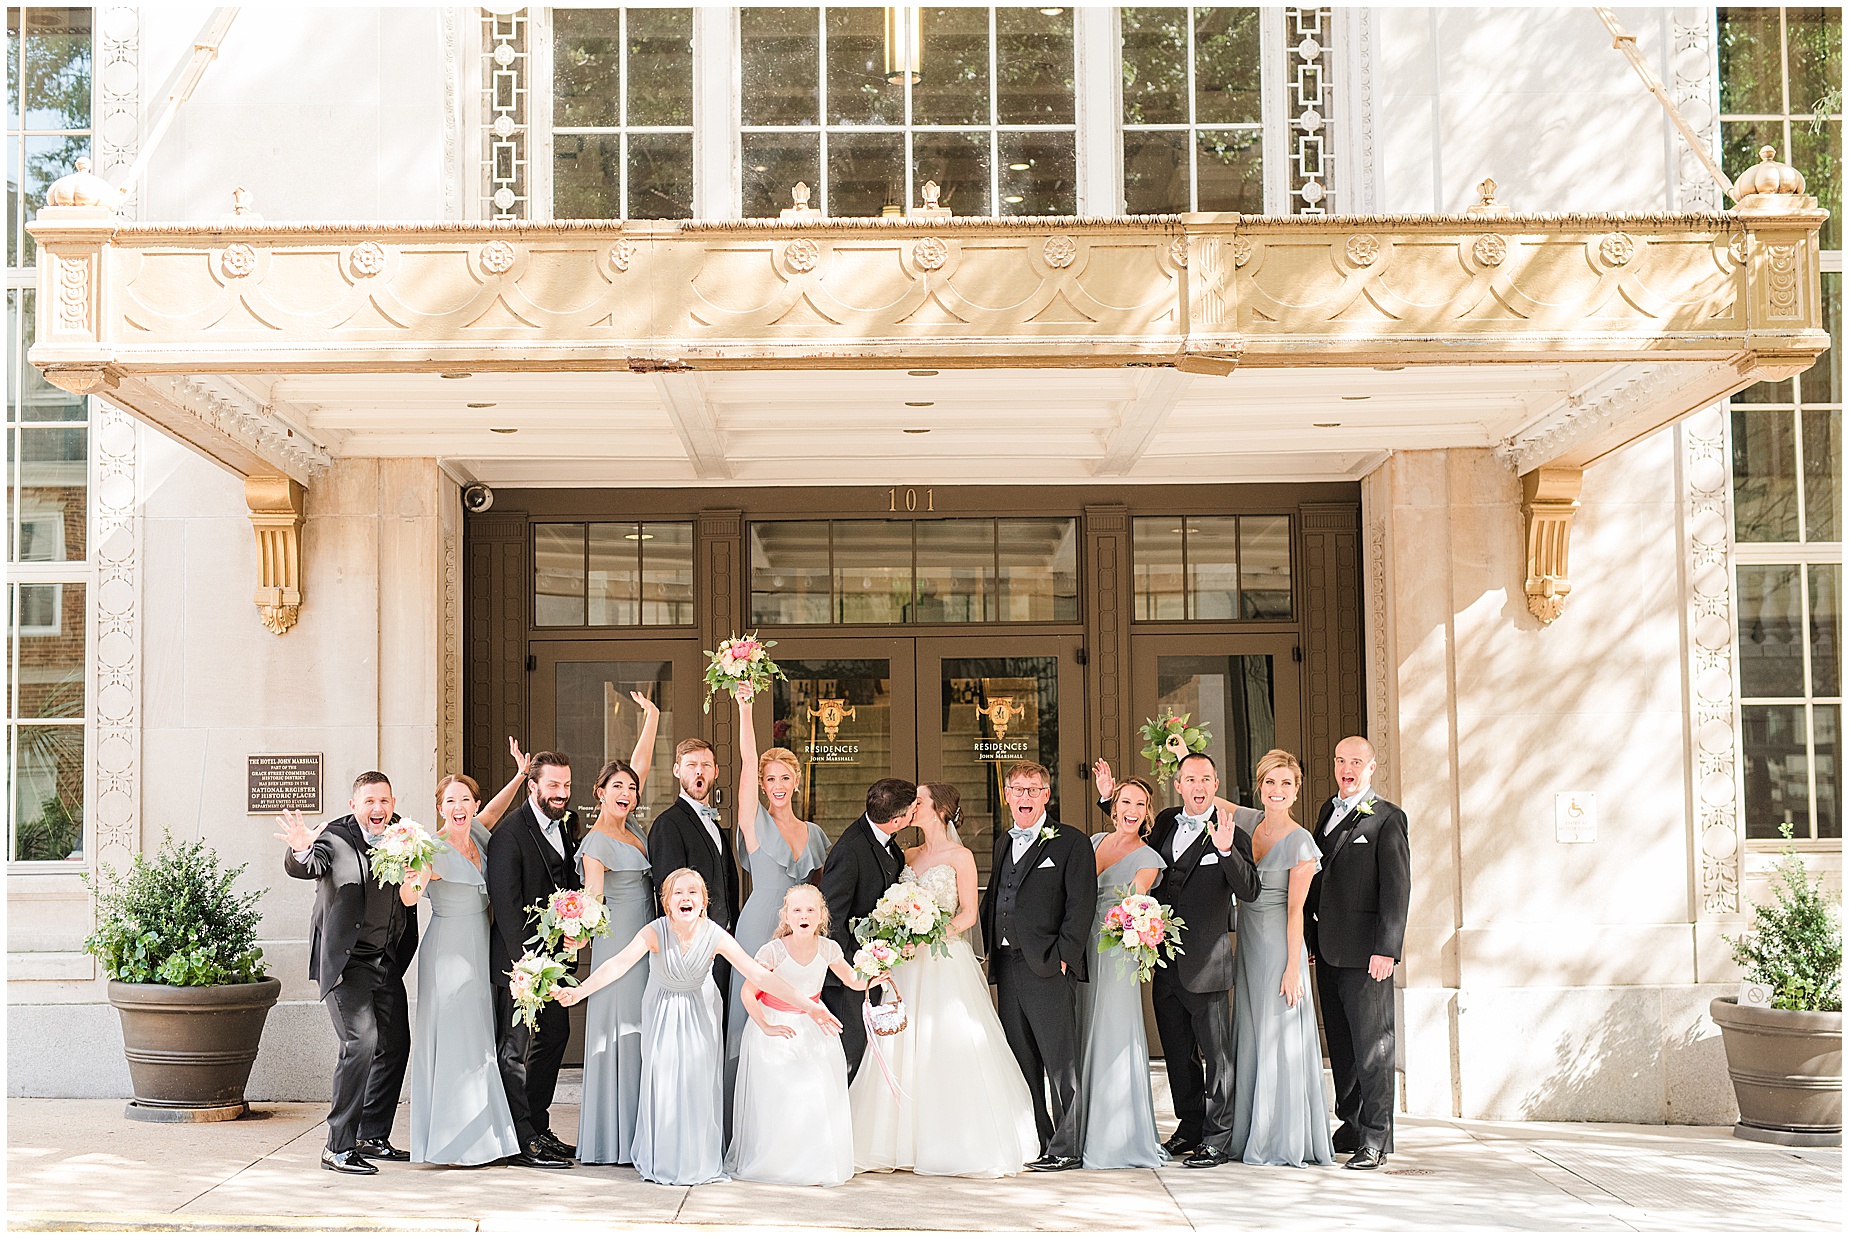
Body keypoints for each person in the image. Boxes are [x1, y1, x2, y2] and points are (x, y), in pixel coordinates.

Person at [556, 868, 840, 1187]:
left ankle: (698, 1161)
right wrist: (579, 991)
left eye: (693, 891)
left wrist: (811, 1005)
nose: (686, 897)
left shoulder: (715, 934)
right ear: (667, 903)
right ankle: (663, 1158)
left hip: (701, 1012)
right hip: (662, 1010)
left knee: (697, 1086)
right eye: (678, 892)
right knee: (664, 1084)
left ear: (703, 901)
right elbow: (617, 964)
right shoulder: (655, 931)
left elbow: (759, 976)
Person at [852, 783, 1040, 1178]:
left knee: (948, 1042)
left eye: (918, 802)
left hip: (942, 960)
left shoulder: (961, 857)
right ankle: (896, 1142)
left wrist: (929, 934)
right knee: (901, 1041)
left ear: (938, 810)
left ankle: (952, 1140)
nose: (911, 808)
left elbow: (970, 913)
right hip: (907, 962)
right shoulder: (907, 854)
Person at [276, 772, 420, 1174]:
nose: (378, 808)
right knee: (361, 1043)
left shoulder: (402, 833)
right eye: (370, 801)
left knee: (396, 1044)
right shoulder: (335, 836)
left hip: (386, 958)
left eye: (385, 801)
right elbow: (307, 864)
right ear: (355, 804)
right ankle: (337, 1146)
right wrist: (301, 848)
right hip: (346, 961)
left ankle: (372, 1135)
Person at [400, 741, 534, 1166]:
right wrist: (409, 876)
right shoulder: (430, 849)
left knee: (479, 1040)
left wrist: (519, 776)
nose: (459, 807)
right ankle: (452, 1141)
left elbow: (494, 810)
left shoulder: (478, 831)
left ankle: (483, 1135)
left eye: (465, 800)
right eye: (450, 801)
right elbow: (408, 897)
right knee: (455, 1039)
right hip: (448, 952)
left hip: (481, 948)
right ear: (440, 807)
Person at [1137, 752, 1261, 1168]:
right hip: (1163, 961)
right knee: (1176, 1052)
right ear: (1179, 785)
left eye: (1206, 778)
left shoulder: (1230, 830)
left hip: (1206, 963)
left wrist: (1226, 852)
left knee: (1215, 1056)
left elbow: (1249, 891)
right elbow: (1135, 844)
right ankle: (1189, 1127)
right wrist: (1108, 801)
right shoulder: (1169, 822)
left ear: (1215, 783)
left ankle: (1217, 1137)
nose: (1198, 786)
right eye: (1190, 778)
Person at [977, 762, 1097, 1173]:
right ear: (1006, 795)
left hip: (1049, 966)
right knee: (1023, 1059)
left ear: (1047, 795)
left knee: (1060, 1061)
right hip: (1009, 967)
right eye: (1018, 789)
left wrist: (1065, 954)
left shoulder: (1071, 843)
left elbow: (1082, 905)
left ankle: (1068, 1147)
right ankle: (1041, 1140)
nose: (1025, 797)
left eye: (1033, 789)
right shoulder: (1001, 843)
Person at [728, 884, 877, 1186]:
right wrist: (766, 1027)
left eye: (811, 909)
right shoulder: (772, 951)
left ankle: (813, 1164)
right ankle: (779, 1164)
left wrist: (877, 972)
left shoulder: (829, 948)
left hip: (814, 1025)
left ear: (822, 916)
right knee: (784, 1098)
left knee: (814, 1095)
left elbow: (853, 981)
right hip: (776, 1028)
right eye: (797, 910)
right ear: (786, 915)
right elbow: (748, 992)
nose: (804, 915)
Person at [1227, 750, 1334, 1167]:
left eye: (1286, 783)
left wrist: (1294, 966)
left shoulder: (1301, 841)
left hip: (1279, 946)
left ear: (1296, 790)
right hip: (1249, 944)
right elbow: (1208, 795)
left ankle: (1280, 1137)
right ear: (1260, 785)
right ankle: (1251, 1128)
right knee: (1252, 1034)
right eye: (1270, 782)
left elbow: (1296, 911)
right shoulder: (1249, 822)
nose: (1277, 790)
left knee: (1277, 1034)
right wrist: (1178, 749)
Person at [1309, 735, 1410, 1172]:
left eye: (1355, 761)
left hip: (1368, 956)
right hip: (1328, 952)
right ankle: (1350, 1123)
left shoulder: (1387, 819)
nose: (1346, 768)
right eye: (1339, 760)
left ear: (1371, 768)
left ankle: (1375, 1137)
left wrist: (1386, 949)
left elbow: (1397, 887)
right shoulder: (1327, 813)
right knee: (1345, 1048)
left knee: (1373, 1047)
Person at [726, 684, 828, 1089]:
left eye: (785, 776)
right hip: (758, 925)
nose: (777, 784)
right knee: (751, 1014)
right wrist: (745, 707)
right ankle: (740, 1118)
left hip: (801, 934)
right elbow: (748, 760)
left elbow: (818, 895)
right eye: (770, 778)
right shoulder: (754, 823)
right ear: (763, 785)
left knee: (797, 1012)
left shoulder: (816, 834)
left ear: (797, 781)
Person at [485, 750, 583, 1169]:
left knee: (554, 1038)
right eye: (553, 786)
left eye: (566, 785)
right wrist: (527, 965)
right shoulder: (509, 835)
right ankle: (522, 1139)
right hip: (519, 965)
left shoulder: (567, 826)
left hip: (555, 962)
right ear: (533, 787)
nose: (561, 793)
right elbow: (506, 906)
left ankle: (539, 1126)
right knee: (515, 1052)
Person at [1076, 776, 1169, 1169]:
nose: (1132, 811)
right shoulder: (1095, 842)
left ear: (1147, 813)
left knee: (1113, 1030)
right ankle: (1079, 1130)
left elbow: (1134, 902)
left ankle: (1114, 1137)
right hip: (1083, 945)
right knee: (1084, 1028)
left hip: (1116, 949)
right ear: (1113, 808)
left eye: (1140, 805)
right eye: (1125, 802)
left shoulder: (1148, 857)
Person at [574, 749, 656, 1166]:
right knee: (623, 1027)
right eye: (616, 787)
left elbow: (637, 764)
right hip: (619, 940)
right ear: (599, 793)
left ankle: (639, 1132)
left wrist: (653, 717)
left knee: (642, 1031)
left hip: (646, 941)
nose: (626, 793)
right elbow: (592, 899)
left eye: (631, 788)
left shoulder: (635, 830)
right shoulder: (595, 842)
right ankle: (615, 1140)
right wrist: (573, 938)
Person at [817, 777, 916, 1080]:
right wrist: (854, 973)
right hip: (850, 979)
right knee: (850, 1061)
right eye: (912, 811)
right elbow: (831, 919)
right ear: (896, 820)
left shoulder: (885, 840)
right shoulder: (850, 850)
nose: (915, 815)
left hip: (876, 971)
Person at [646, 737, 742, 1024]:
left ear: (716, 772)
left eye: (705, 766)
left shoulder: (714, 823)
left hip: (719, 944)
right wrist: (688, 946)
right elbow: (670, 893)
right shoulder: (668, 824)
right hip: (693, 949)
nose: (698, 772)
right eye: (691, 766)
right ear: (677, 770)